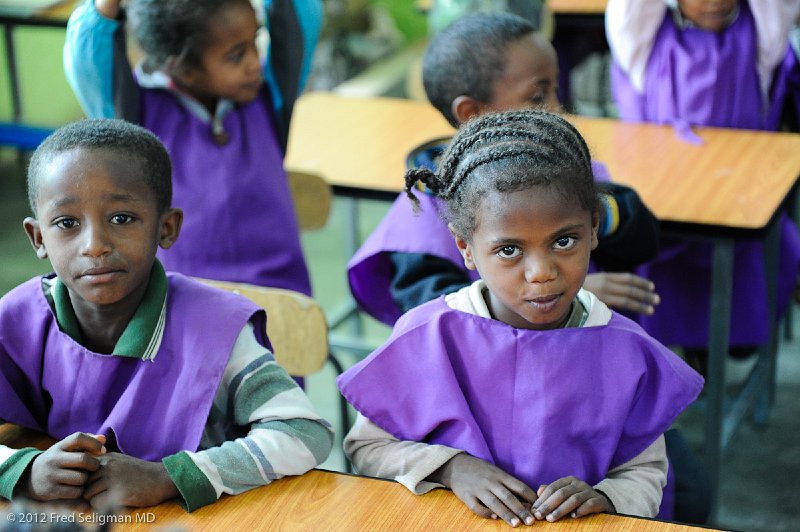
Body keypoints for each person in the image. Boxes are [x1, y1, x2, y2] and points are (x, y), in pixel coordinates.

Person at [338, 109, 703, 526]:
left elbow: (645, 472)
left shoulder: (626, 350)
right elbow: (367, 448)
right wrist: (449, 468)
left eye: (564, 241)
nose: (541, 272)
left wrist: (606, 496)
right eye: (509, 249)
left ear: (594, 228)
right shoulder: (428, 336)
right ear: (466, 248)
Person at [0, 119, 334, 511]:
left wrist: (170, 476)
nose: (94, 246)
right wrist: (23, 470)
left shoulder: (213, 328)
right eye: (66, 223)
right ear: (38, 238)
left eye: (121, 218)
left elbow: (305, 433)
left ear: (167, 227)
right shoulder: (19, 320)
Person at [348, 11, 660, 327]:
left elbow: (643, 238)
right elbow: (433, 314)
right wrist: (564, 298)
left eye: (556, 90)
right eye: (538, 97)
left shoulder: (558, 165)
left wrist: (593, 214)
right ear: (472, 112)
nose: (557, 109)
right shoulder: (429, 202)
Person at [63, 0, 323, 295]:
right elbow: (89, 63)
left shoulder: (268, 98)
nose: (254, 62)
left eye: (256, 43)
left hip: (286, 308)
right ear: (183, 68)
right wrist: (105, 6)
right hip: (185, 309)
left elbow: (298, 20)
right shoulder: (137, 120)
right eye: (237, 55)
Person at [606, 0, 800, 357]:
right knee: (659, 295)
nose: (715, 2)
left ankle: (720, 346)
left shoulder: (762, 39)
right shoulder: (640, 37)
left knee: (747, 306)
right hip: (661, 207)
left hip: (738, 205)